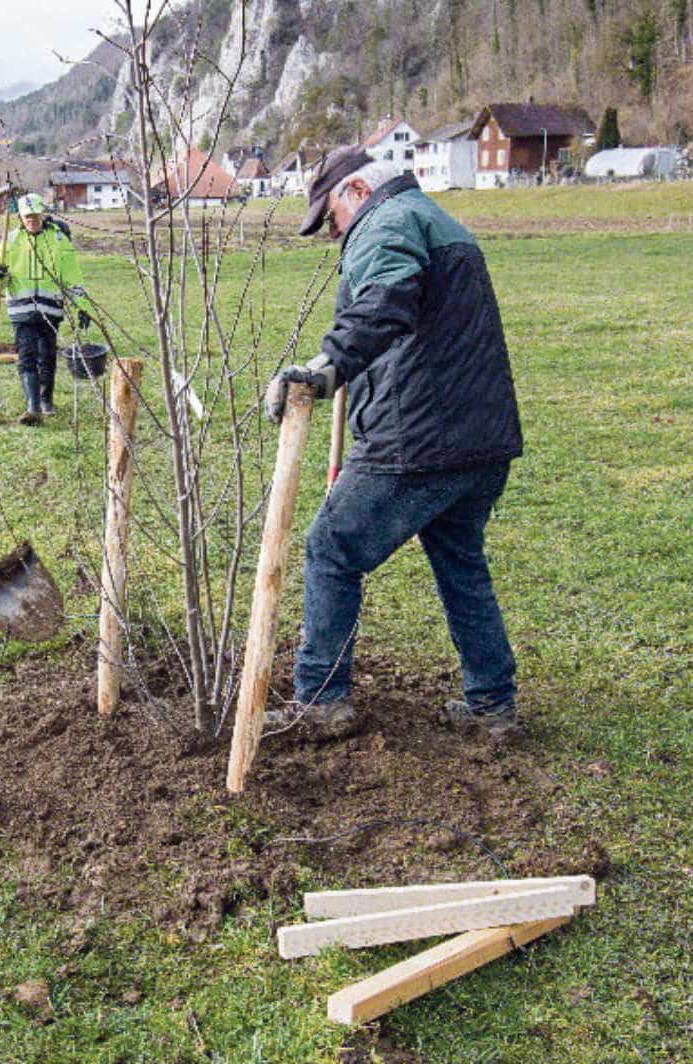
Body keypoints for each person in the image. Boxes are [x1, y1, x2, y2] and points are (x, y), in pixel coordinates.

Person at [262, 146, 525, 741]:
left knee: (332, 549)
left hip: (420, 440)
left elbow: (383, 304)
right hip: (480, 438)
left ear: (357, 190)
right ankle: (492, 706)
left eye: (331, 218)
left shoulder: (388, 221)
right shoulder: (434, 219)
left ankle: (321, 700)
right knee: (460, 562)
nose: (333, 234)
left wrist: (326, 368)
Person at [0, 192, 92, 424]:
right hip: (21, 310)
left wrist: (83, 307)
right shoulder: (11, 240)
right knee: (26, 355)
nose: (32, 220)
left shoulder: (58, 240)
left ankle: (46, 400)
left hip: (50, 309)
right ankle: (32, 407)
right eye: (27, 217)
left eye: (35, 216)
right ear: (20, 217)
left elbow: (73, 277)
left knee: (47, 355)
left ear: (43, 214)